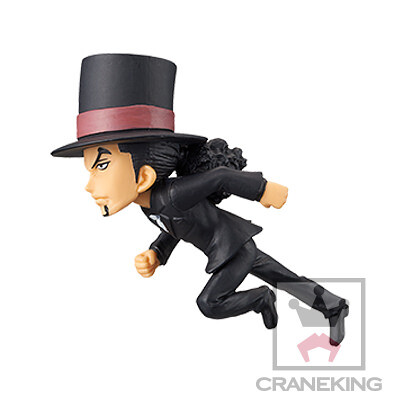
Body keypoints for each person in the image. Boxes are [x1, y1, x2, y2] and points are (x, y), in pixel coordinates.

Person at [52, 53, 349, 345]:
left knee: (209, 303)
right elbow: (174, 225)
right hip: (232, 243)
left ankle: (260, 298)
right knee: (285, 278)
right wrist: (157, 253)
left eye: (102, 167)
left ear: (143, 177)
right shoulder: (149, 203)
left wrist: (262, 190)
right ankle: (333, 306)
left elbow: (219, 177)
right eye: (90, 170)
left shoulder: (173, 193)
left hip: (234, 249)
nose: (89, 186)